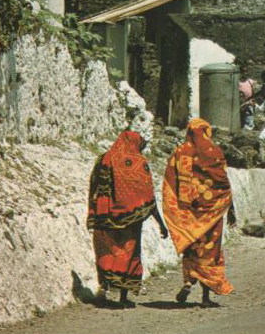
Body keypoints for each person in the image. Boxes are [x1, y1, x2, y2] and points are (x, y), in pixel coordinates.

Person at [87, 131, 169, 308]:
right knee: (128, 252)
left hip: (105, 216)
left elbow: (93, 185)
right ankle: (123, 297)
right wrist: (161, 224)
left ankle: (104, 288)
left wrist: (93, 210)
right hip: (131, 220)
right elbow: (147, 196)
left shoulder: (103, 159)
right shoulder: (139, 162)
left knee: (106, 251)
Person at [162, 118, 236, 308]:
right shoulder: (215, 153)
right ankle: (205, 296)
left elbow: (171, 180)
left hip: (190, 214)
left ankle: (188, 282)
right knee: (210, 251)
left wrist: (179, 207)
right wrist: (230, 208)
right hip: (212, 213)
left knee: (192, 248)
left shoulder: (180, 152)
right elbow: (223, 183)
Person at [238, 66, 256, 130]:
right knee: (240, 119)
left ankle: (248, 131)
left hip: (249, 102)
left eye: (246, 71)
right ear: (240, 72)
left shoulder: (251, 82)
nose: (245, 73)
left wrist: (253, 101)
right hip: (240, 103)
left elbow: (255, 92)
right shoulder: (238, 82)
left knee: (249, 117)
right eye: (243, 72)